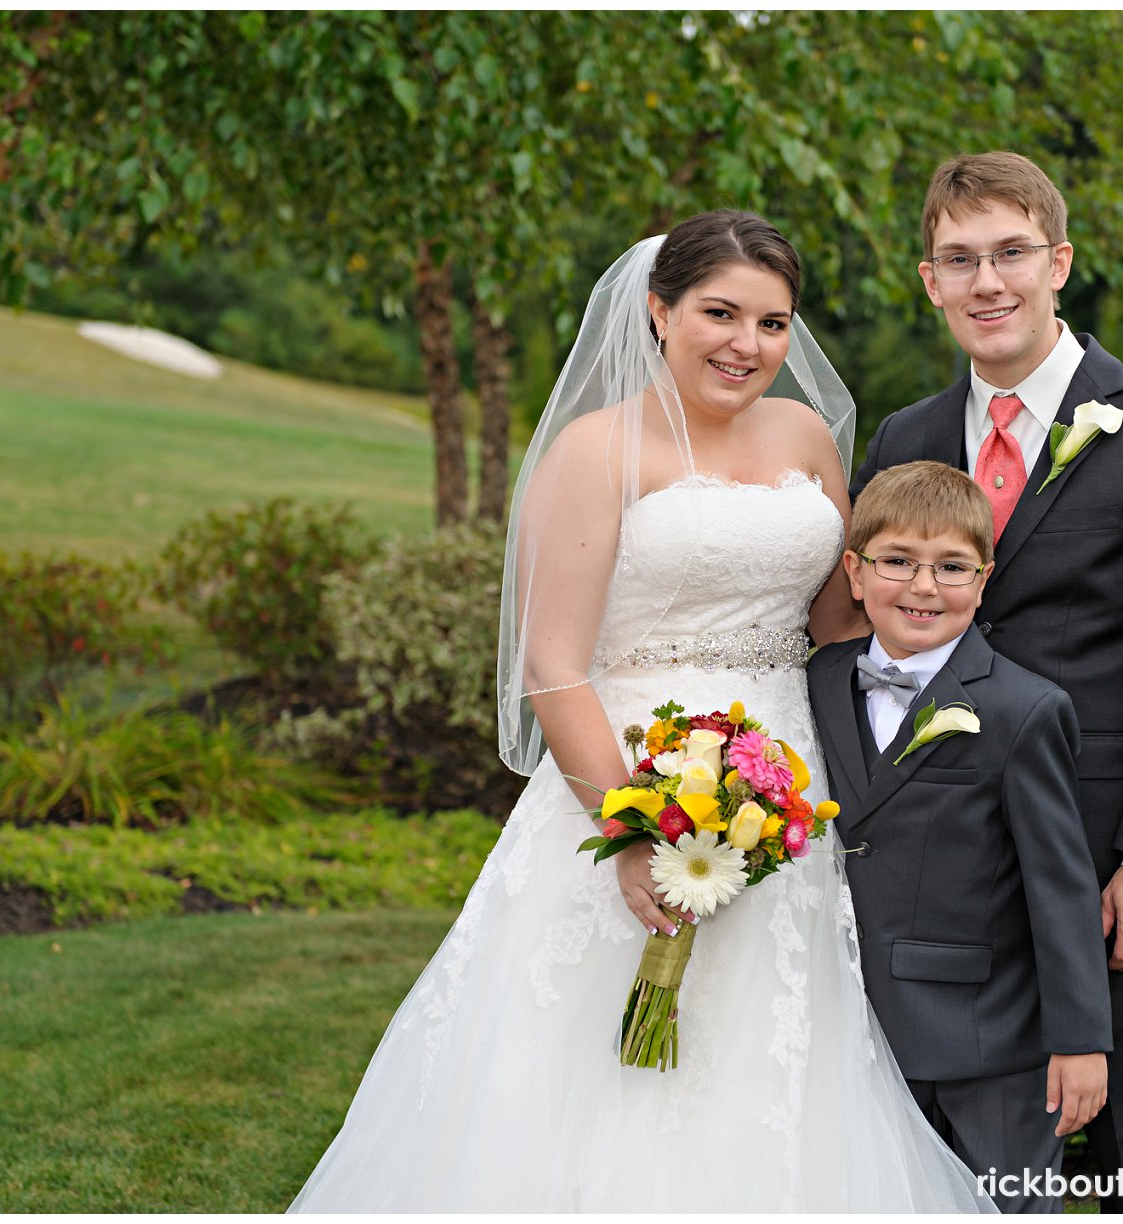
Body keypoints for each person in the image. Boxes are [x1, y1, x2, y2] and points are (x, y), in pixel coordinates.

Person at [289, 211, 992, 1212]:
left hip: (787, 789)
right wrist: (628, 832)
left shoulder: (802, 433)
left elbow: (833, 618)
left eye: (773, 322)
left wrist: (926, 585)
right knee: (592, 1067)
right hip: (626, 781)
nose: (746, 345)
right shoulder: (594, 450)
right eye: (719, 313)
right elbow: (555, 667)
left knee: (772, 1046)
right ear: (659, 311)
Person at [850, 153, 1123, 1212]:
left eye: (1010, 253)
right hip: (944, 881)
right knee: (937, 1155)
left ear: (1058, 263)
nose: (988, 282)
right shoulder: (905, 439)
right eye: (959, 258)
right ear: (929, 279)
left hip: (1113, 861)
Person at [807, 460, 1113, 1213]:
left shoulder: (1022, 708)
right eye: (898, 562)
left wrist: (1081, 1041)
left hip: (988, 1045)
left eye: (951, 567)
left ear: (983, 579)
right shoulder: (815, 682)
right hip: (848, 1021)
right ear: (854, 570)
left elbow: (1061, 887)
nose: (922, 587)